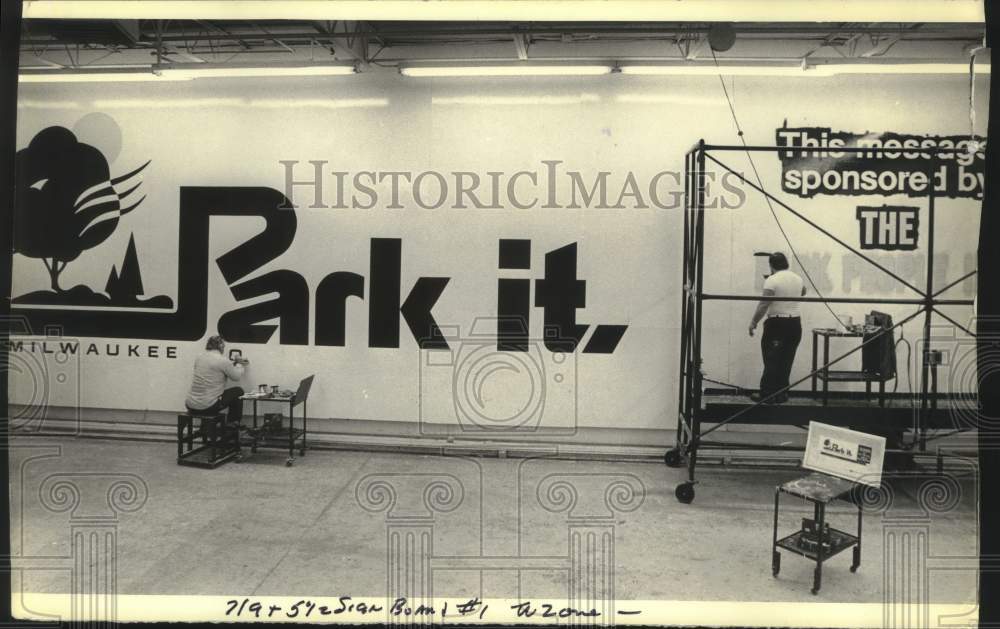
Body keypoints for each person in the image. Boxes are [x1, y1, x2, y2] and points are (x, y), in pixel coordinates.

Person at [748, 252, 806, 404]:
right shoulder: (798, 278)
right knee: (786, 359)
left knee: (771, 359)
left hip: (777, 325)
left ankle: (767, 394)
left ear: (771, 265)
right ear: (786, 264)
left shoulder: (772, 280)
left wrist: (754, 322)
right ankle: (782, 394)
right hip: (795, 324)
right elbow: (803, 291)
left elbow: (764, 304)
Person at [185, 335, 249, 421]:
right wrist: (239, 363)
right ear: (221, 346)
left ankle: (205, 427)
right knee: (238, 391)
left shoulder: (199, 357)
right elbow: (236, 377)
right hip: (207, 407)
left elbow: (214, 369)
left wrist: (231, 364)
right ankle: (232, 425)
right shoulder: (223, 360)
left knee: (209, 396)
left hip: (190, 405)